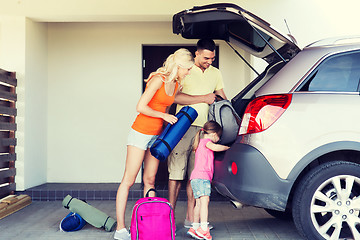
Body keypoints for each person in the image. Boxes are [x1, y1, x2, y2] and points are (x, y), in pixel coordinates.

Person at [114, 48, 194, 240]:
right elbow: (140, 106)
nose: (189, 72)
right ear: (179, 65)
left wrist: (172, 135)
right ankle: (120, 228)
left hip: (157, 136)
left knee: (150, 180)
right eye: (188, 69)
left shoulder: (175, 85)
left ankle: (149, 225)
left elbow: (166, 114)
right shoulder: (159, 78)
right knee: (129, 180)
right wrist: (164, 115)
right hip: (140, 133)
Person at [167, 39, 227, 229]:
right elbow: (175, 97)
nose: (210, 61)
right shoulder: (185, 70)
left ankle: (191, 220)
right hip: (183, 128)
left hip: (204, 132)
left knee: (196, 176)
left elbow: (223, 97)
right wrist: (203, 98)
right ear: (197, 54)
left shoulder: (215, 73)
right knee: (176, 174)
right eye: (207, 58)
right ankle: (168, 218)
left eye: (213, 58)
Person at [187, 121, 230, 240]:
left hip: (195, 178)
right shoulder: (207, 142)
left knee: (198, 204)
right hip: (202, 177)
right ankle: (204, 229)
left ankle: (195, 228)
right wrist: (229, 148)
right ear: (214, 134)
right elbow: (215, 147)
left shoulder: (199, 142)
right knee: (205, 203)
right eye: (219, 136)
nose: (219, 138)